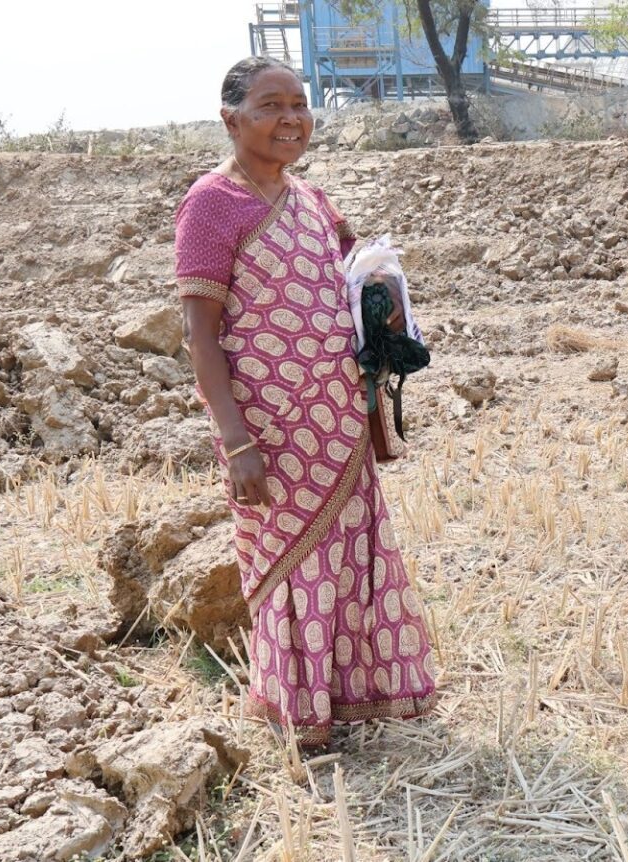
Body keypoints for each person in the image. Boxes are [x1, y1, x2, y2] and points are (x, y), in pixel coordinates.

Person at [175, 56, 437, 746]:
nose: (291, 118)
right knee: (293, 561)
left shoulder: (314, 202)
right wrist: (236, 442)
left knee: (349, 556)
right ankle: (300, 718)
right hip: (270, 430)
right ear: (232, 120)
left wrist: (384, 297)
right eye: (270, 106)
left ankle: (346, 700)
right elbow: (201, 338)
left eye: (299, 103)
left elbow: (356, 276)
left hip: (340, 423)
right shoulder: (211, 205)